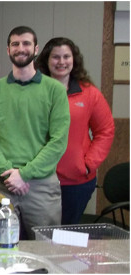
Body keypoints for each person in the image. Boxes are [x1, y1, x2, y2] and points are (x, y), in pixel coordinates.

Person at [0, 26, 70, 239]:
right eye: (15, 44)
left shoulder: (54, 90)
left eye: (26, 43)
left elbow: (58, 141)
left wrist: (24, 174)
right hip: (1, 184)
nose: (21, 48)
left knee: (47, 248)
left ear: (36, 49)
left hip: (41, 187)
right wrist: (10, 173)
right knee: (0, 249)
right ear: (8, 50)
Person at [35, 37, 115, 225]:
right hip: (39, 178)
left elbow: (105, 130)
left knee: (66, 236)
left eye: (66, 56)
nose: (61, 62)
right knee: (39, 235)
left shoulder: (89, 93)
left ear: (74, 59)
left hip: (75, 181)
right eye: (55, 57)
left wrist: (88, 164)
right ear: (46, 60)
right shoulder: (34, 90)